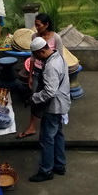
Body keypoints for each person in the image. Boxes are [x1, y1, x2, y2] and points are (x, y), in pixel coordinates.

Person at [26, 36, 70, 182]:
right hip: (62, 102)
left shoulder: (51, 66)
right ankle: (59, 165)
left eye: (36, 56)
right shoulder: (58, 57)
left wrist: (33, 98)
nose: (37, 59)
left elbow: (49, 91)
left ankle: (46, 171)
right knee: (57, 135)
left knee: (46, 139)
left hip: (54, 106)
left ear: (40, 52)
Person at [16, 13, 63, 138]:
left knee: (49, 96)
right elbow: (32, 57)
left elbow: (60, 59)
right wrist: (30, 75)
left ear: (46, 25)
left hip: (50, 72)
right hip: (37, 71)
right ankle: (31, 127)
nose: (36, 28)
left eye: (38, 25)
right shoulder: (35, 36)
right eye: (35, 25)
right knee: (35, 97)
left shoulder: (56, 38)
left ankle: (49, 122)